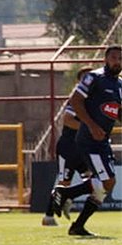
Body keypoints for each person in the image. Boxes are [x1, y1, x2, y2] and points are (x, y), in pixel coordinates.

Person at [51, 45, 121, 236]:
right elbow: (75, 100)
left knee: (105, 185)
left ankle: (77, 224)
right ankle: (66, 195)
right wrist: (90, 125)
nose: (117, 61)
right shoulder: (94, 77)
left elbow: (118, 112)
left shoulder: (119, 85)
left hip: (102, 140)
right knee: (107, 182)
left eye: (120, 59)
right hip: (89, 139)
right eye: (114, 57)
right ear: (106, 59)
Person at [41, 67, 92, 226]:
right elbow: (68, 120)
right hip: (68, 147)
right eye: (84, 78)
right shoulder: (76, 99)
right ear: (79, 82)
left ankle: (68, 196)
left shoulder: (93, 100)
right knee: (64, 182)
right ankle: (48, 217)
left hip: (83, 148)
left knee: (95, 180)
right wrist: (90, 127)